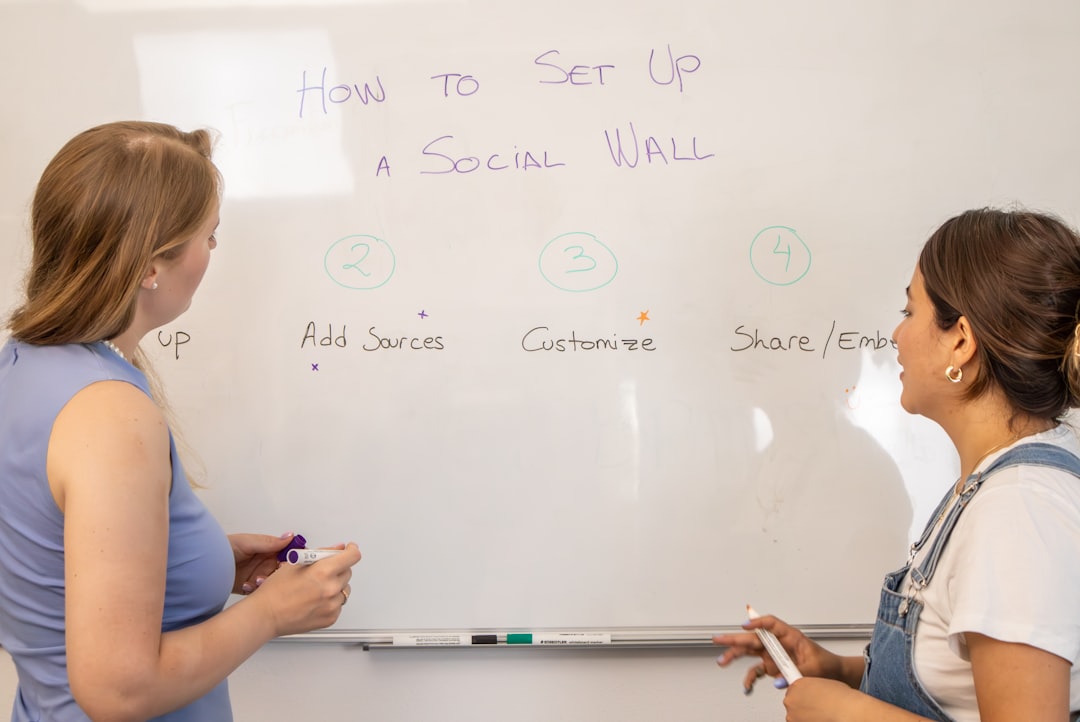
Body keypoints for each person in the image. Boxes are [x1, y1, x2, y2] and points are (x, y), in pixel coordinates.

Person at [0, 121, 363, 721]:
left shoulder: (24, 366)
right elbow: (119, 691)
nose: (212, 252)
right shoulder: (109, 415)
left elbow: (49, 565)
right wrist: (272, 612)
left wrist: (197, 560)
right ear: (150, 264)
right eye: (208, 236)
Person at [715, 208, 1080, 721]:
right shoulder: (991, 488)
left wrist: (847, 714)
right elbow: (962, 686)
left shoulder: (1018, 509)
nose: (895, 334)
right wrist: (835, 670)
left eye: (910, 312)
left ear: (960, 340)